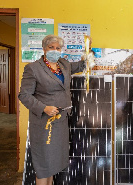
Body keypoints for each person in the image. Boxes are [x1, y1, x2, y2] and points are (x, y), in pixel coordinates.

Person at [18, 35, 86, 185]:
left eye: (58, 48)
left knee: (53, 164)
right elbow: (23, 95)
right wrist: (44, 108)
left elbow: (81, 66)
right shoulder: (33, 68)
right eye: (51, 47)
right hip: (44, 123)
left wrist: (88, 55)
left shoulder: (64, 64)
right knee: (44, 165)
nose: (55, 51)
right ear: (44, 49)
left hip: (60, 121)